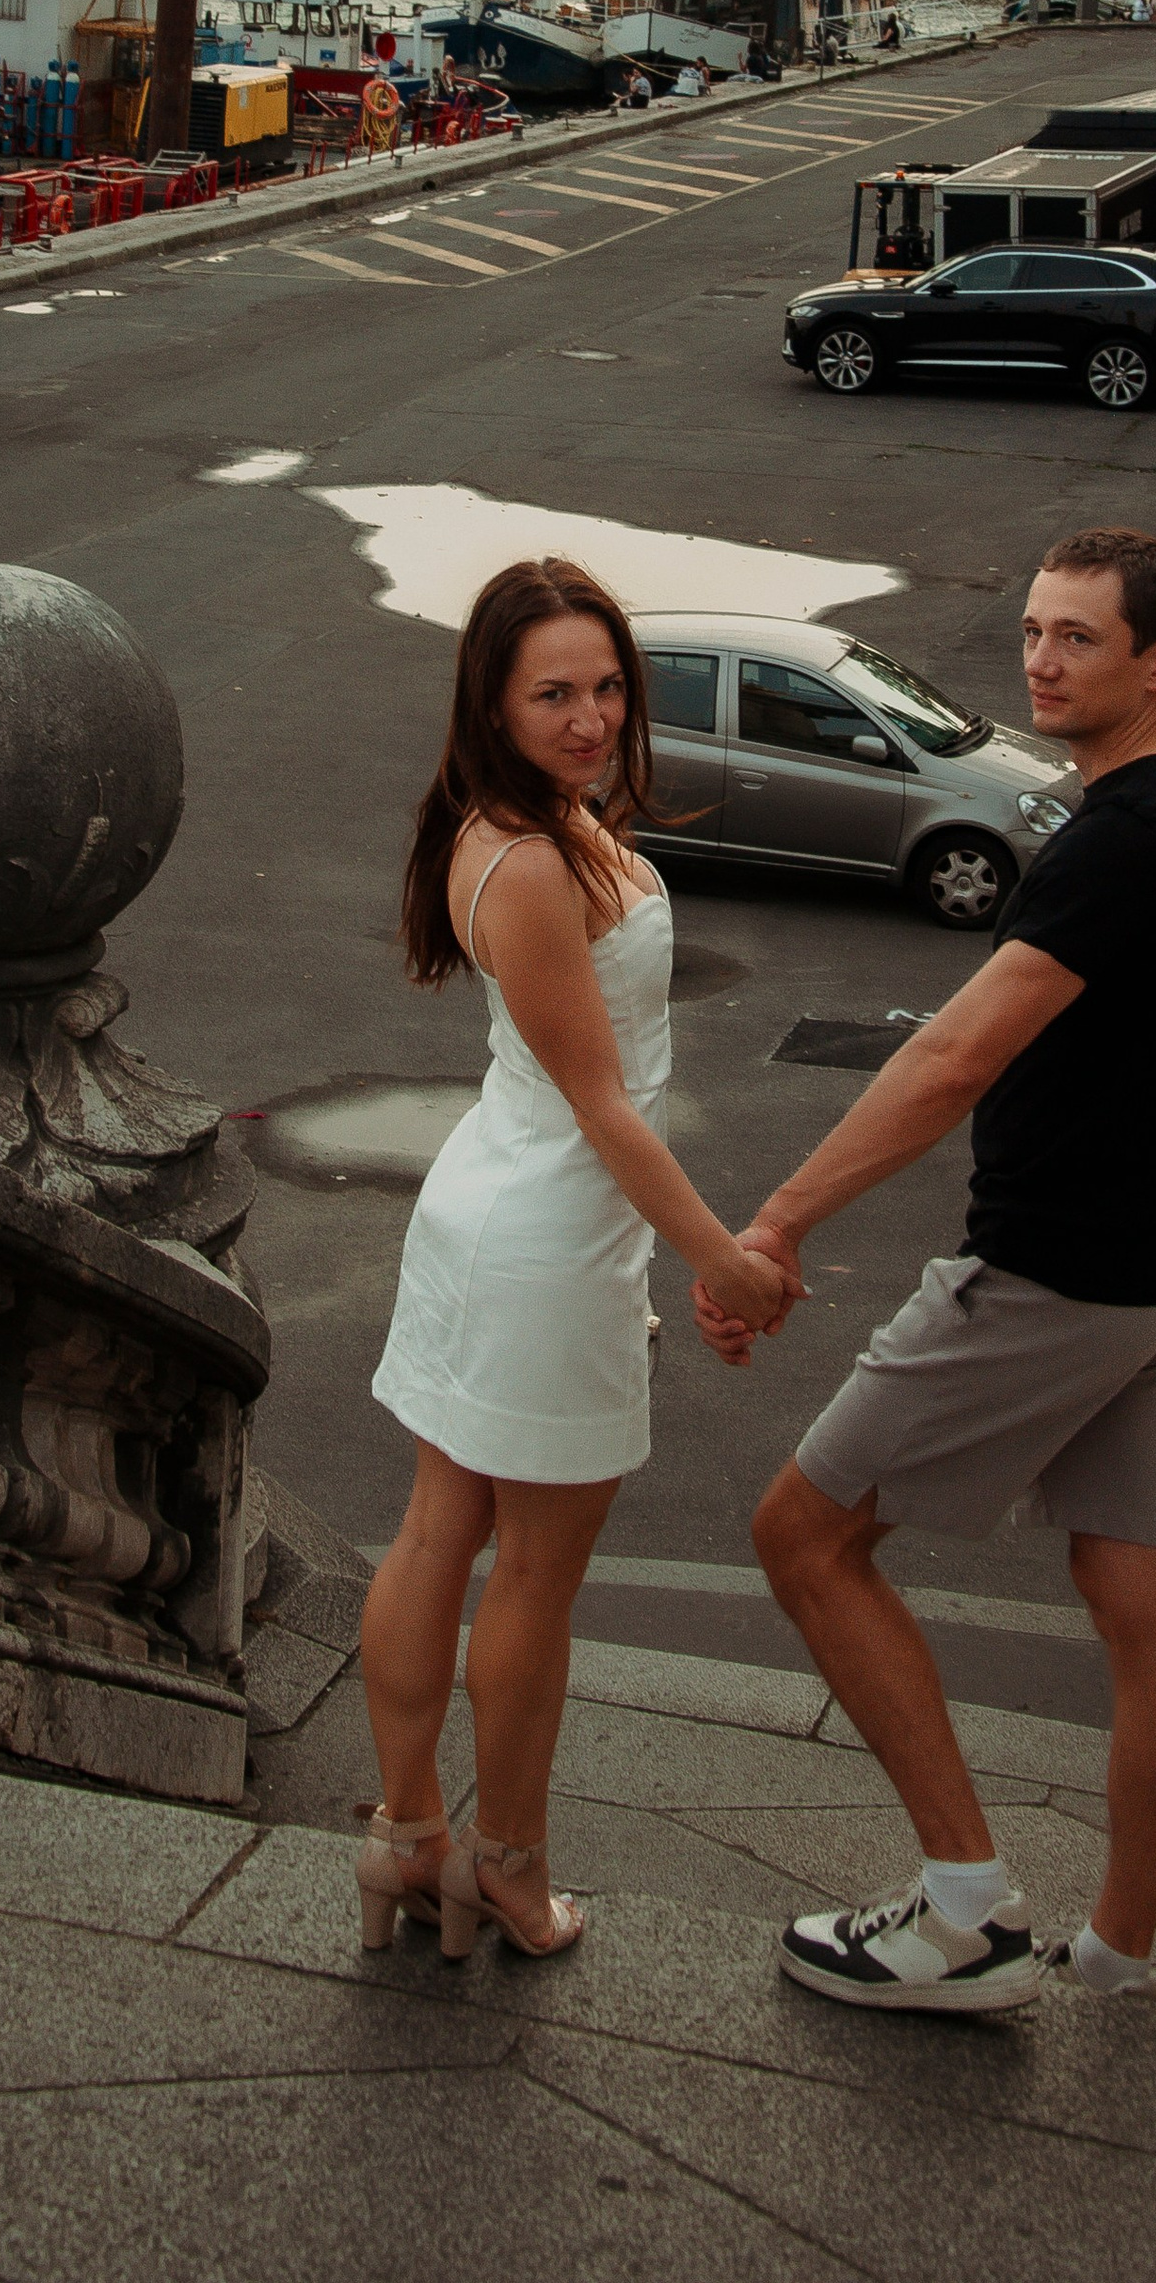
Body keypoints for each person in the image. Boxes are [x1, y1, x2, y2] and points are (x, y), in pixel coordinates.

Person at [695, 525, 1156, 2021]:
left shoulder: (1118, 843)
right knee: (1141, 1609)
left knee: (806, 1538)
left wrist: (777, 1225)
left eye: (1078, 639)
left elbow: (954, 1053)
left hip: (1058, 1278)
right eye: (1032, 630)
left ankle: (962, 1915)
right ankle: (1123, 1950)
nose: (1040, 660)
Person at [361, 560, 789, 1963]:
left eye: (607, 686)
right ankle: (508, 1869)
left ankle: (408, 1838)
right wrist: (721, 1260)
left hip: (504, 1211)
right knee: (527, 1578)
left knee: (442, 1530)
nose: (591, 716)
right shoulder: (534, 860)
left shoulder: (515, 827)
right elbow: (608, 1106)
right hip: (543, 1233)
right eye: (554, 693)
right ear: (494, 699)